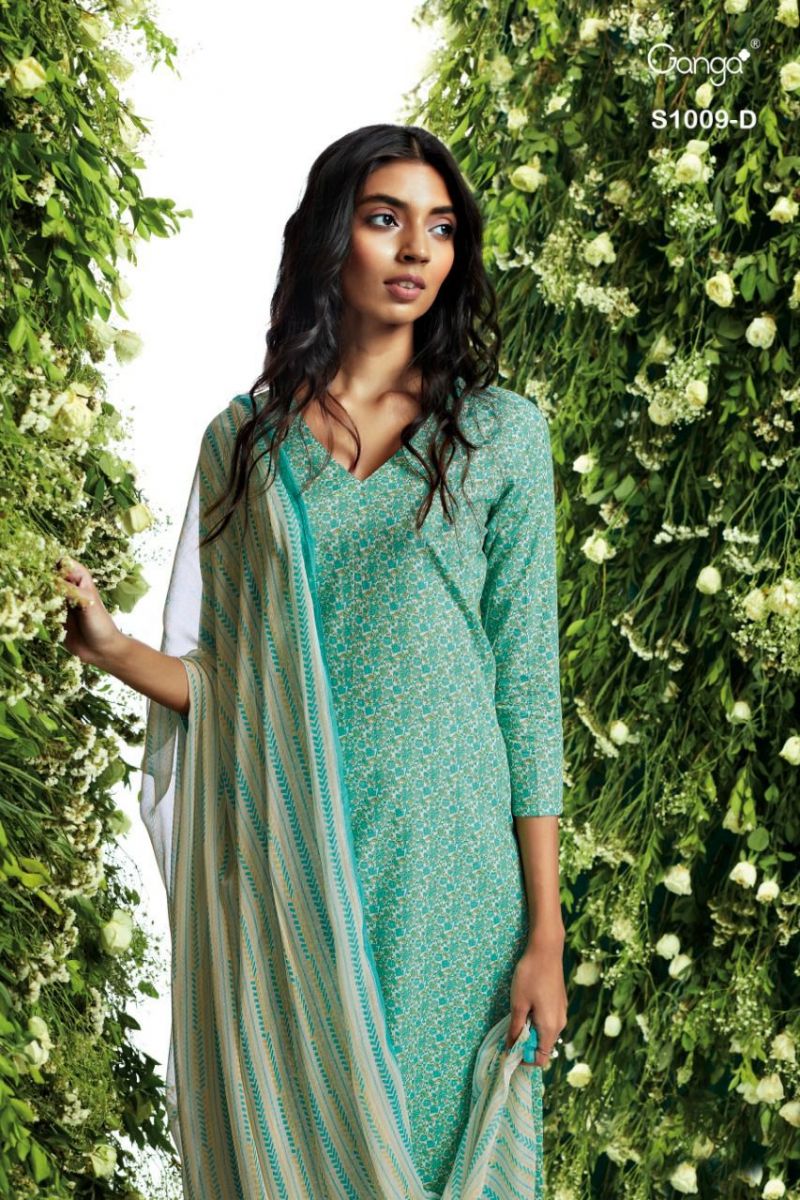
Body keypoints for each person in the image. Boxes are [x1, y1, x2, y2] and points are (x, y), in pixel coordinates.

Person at [56, 123, 568, 1199]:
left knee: (442, 1152)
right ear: (333, 238)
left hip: (450, 869)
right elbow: (230, 690)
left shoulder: (499, 434)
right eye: (385, 219)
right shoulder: (244, 442)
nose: (415, 250)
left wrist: (545, 933)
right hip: (287, 860)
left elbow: (526, 690)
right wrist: (112, 648)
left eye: (439, 228)